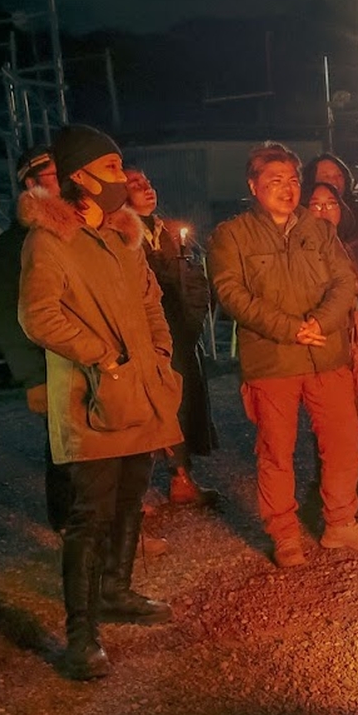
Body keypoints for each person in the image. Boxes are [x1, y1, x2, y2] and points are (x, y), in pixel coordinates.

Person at [18, 123, 184, 680]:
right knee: (88, 517)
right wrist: (103, 356)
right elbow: (39, 315)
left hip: (138, 390)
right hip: (88, 400)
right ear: (77, 178)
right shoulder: (48, 241)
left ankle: (116, 590)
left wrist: (158, 352)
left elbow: (150, 300)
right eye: (110, 169)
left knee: (131, 497)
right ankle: (81, 637)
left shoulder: (121, 237)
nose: (122, 178)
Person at [208, 141, 358, 567]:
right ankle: (284, 534)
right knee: (276, 452)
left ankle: (340, 523)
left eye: (292, 180)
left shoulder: (319, 230)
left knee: (343, 443)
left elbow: (345, 284)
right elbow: (232, 295)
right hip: (272, 361)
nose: (287, 189)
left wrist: (320, 323)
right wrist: (290, 329)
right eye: (275, 181)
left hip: (326, 355)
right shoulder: (231, 235)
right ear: (253, 185)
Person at [124, 166, 220, 507]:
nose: (146, 188)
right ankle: (135, 492)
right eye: (134, 184)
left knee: (180, 403)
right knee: (148, 409)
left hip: (179, 331)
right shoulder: (119, 236)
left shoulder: (164, 230)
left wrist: (193, 314)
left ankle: (181, 476)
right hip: (145, 338)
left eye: (147, 181)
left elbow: (192, 279)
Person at [303, 180, 358, 494]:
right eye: (316, 204)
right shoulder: (303, 248)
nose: (324, 210)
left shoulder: (356, 246)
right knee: (328, 421)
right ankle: (331, 489)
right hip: (327, 341)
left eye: (331, 203)